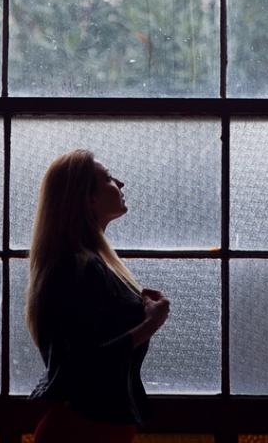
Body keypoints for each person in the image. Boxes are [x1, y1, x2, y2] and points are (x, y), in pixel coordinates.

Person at [26, 148, 170, 443]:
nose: (120, 183)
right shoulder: (79, 266)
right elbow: (85, 361)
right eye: (108, 178)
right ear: (88, 199)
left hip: (89, 428)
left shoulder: (88, 263)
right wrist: (151, 323)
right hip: (82, 431)